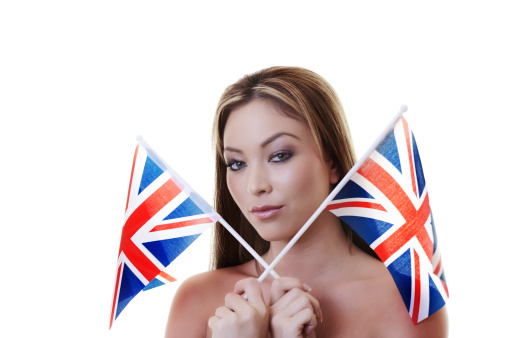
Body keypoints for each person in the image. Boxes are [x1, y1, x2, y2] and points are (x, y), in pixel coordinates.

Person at [165, 66, 448, 337]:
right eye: (237, 163)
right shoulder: (197, 301)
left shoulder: (408, 301)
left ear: (333, 162)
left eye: (280, 155)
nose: (255, 186)